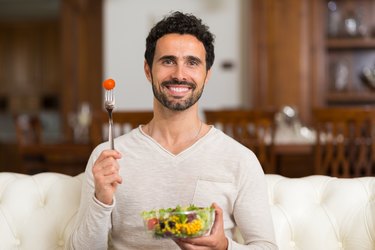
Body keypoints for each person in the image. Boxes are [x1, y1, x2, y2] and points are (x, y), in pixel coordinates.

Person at [68, 11, 277, 250]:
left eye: (192, 62)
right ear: (148, 70)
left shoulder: (240, 159)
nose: (179, 74)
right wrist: (101, 200)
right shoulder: (107, 157)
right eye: (168, 61)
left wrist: (224, 247)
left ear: (207, 74)